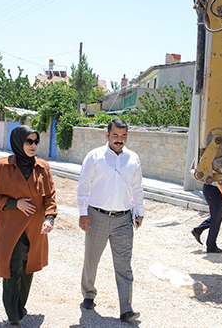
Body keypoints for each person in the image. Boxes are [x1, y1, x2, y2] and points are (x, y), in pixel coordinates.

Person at [0, 125, 57, 327]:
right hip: (10, 227)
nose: (33, 145)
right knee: (12, 269)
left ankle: (19, 306)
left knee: (28, 269)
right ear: (18, 142)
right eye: (29, 141)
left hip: (35, 229)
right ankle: (13, 317)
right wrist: (14, 203)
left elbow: (50, 197)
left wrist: (49, 218)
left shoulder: (43, 167)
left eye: (36, 141)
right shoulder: (3, 165)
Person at [77, 118, 144, 323]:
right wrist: (82, 212)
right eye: (115, 135)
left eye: (123, 136)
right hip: (96, 216)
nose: (119, 140)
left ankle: (126, 308)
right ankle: (89, 294)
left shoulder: (133, 158)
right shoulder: (94, 156)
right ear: (107, 135)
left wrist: (139, 212)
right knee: (92, 259)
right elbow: (83, 185)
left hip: (124, 219)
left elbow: (137, 188)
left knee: (124, 265)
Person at [191, 182, 222, 254]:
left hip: (212, 189)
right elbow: (217, 179)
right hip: (213, 189)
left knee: (219, 215)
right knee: (216, 218)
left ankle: (198, 230)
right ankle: (211, 246)